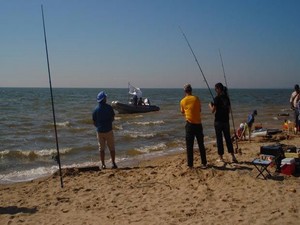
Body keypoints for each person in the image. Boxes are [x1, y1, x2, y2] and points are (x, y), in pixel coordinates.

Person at [180, 84, 207, 169]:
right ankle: (204, 163)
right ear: (191, 90)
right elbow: (199, 110)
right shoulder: (196, 98)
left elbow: (182, 112)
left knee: (189, 145)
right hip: (198, 124)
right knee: (201, 144)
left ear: (185, 91)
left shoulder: (182, 101)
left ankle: (190, 165)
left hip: (190, 125)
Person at [209, 82, 237, 163]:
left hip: (218, 122)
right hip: (226, 121)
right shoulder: (227, 98)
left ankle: (221, 157)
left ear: (218, 89)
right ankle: (233, 156)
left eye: (215, 88)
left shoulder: (217, 98)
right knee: (228, 138)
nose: (215, 90)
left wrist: (210, 105)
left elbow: (213, 111)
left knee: (219, 139)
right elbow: (228, 111)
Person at [92, 91, 118, 169]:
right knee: (112, 148)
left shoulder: (95, 109)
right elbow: (113, 118)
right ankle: (113, 163)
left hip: (99, 131)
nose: (106, 98)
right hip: (108, 130)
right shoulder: (109, 107)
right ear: (103, 99)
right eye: (105, 97)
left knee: (101, 149)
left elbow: (94, 121)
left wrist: (99, 126)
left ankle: (103, 164)